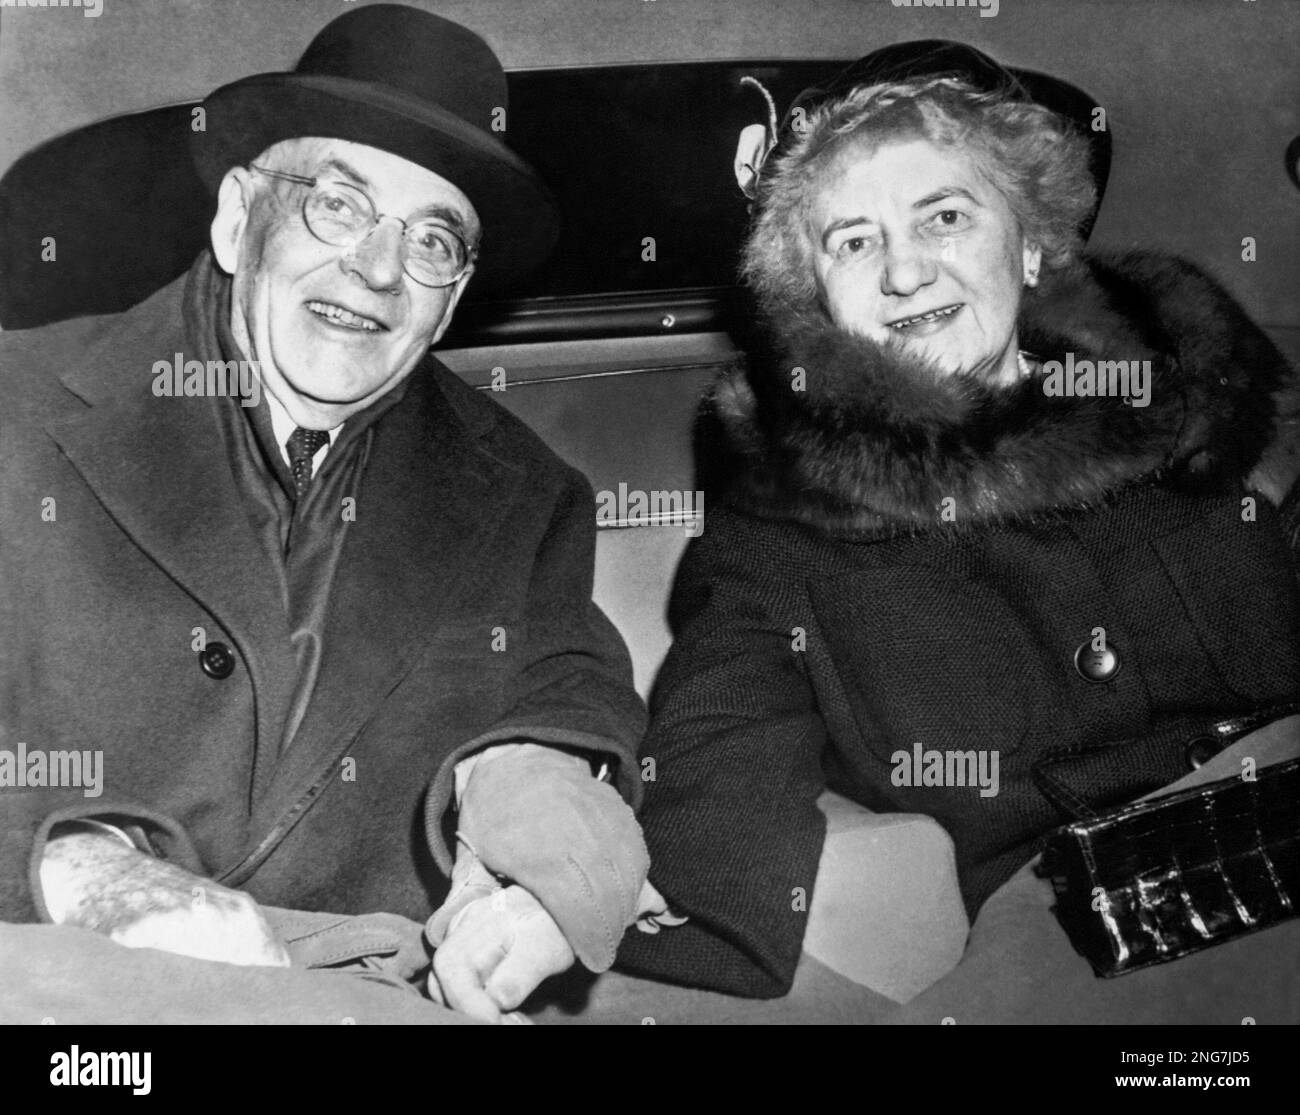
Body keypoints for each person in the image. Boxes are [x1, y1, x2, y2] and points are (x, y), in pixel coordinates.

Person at [0, 5, 652, 1024]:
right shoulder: (14, 409)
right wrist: (86, 872)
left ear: (455, 295)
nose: (381, 269)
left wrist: (538, 830)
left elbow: (563, 686)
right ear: (236, 216)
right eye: (338, 207)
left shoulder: (524, 491)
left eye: (434, 240)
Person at [616, 40, 1300, 998]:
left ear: (1027, 247)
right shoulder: (782, 527)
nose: (904, 273)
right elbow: (719, 739)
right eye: (852, 241)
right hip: (1102, 939)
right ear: (818, 302)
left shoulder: (1202, 418)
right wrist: (610, 902)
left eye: (943, 217)